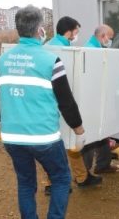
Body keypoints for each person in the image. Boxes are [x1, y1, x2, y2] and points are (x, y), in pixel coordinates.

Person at [0, 6, 86, 219]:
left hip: (13, 137)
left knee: (26, 184)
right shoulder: (50, 60)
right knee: (61, 178)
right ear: (40, 30)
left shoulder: (3, 60)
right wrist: (79, 129)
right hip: (43, 136)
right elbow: (66, 100)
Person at [42, 16, 102, 194]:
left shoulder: (51, 45)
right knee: (57, 144)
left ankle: (81, 177)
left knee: (67, 143)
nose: (77, 34)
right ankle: (53, 183)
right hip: (58, 103)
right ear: (69, 30)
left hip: (50, 103)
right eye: (76, 30)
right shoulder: (61, 49)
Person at [80, 24, 118, 179]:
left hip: (98, 98)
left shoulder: (96, 48)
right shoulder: (90, 50)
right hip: (92, 100)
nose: (110, 40)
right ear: (103, 36)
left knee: (103, 131)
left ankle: (103, 164)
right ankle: (85, 172)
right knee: (90, 136)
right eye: (110, 37)